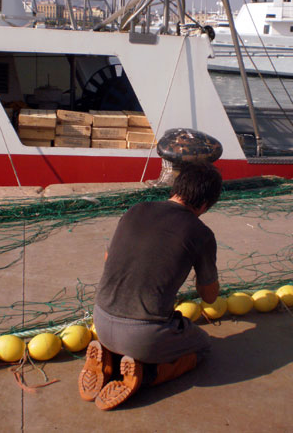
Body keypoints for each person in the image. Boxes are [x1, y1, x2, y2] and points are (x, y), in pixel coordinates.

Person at [79, 162, 222, 410]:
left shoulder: (136, 209)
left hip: (100, 319)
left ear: (176, 188)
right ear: (204, 205)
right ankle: (145, 374)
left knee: (134, 332)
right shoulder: (201, 233)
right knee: (202, 347)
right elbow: (209, 296)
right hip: (143, 337)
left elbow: (107, 259)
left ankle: (108, 359)